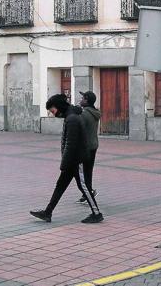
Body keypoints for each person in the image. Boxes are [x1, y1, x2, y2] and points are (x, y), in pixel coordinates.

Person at [30, 94, 103, 223]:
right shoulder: (70, 116)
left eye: (53, 111)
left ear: (59, 107)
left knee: (84, 186)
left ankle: (96, 214)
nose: (53, 114)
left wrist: (64, 163)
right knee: (60, 185)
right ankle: (48, 212)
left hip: (77, 159)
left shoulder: (72, 119)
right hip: (72, 160)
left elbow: (71, 144)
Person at [77, 91, 101, 204]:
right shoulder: (94, 112)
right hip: (93, 145)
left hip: (86, 146)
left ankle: (89, 193)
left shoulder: (85, 114)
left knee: (83, 172)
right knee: (88, 170)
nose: (80, 100)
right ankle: (87, 193)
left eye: (82, 98)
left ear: (86, 100)